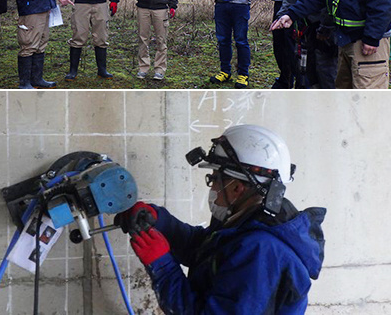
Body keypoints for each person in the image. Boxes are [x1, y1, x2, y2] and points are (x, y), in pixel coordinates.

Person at [116, 124, 326, 314]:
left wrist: (161, 265)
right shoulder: (251, 221)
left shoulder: (261, 251)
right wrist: (159, 221)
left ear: (237, 188)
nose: (213, 187)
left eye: (215, 179)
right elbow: (206, 251)